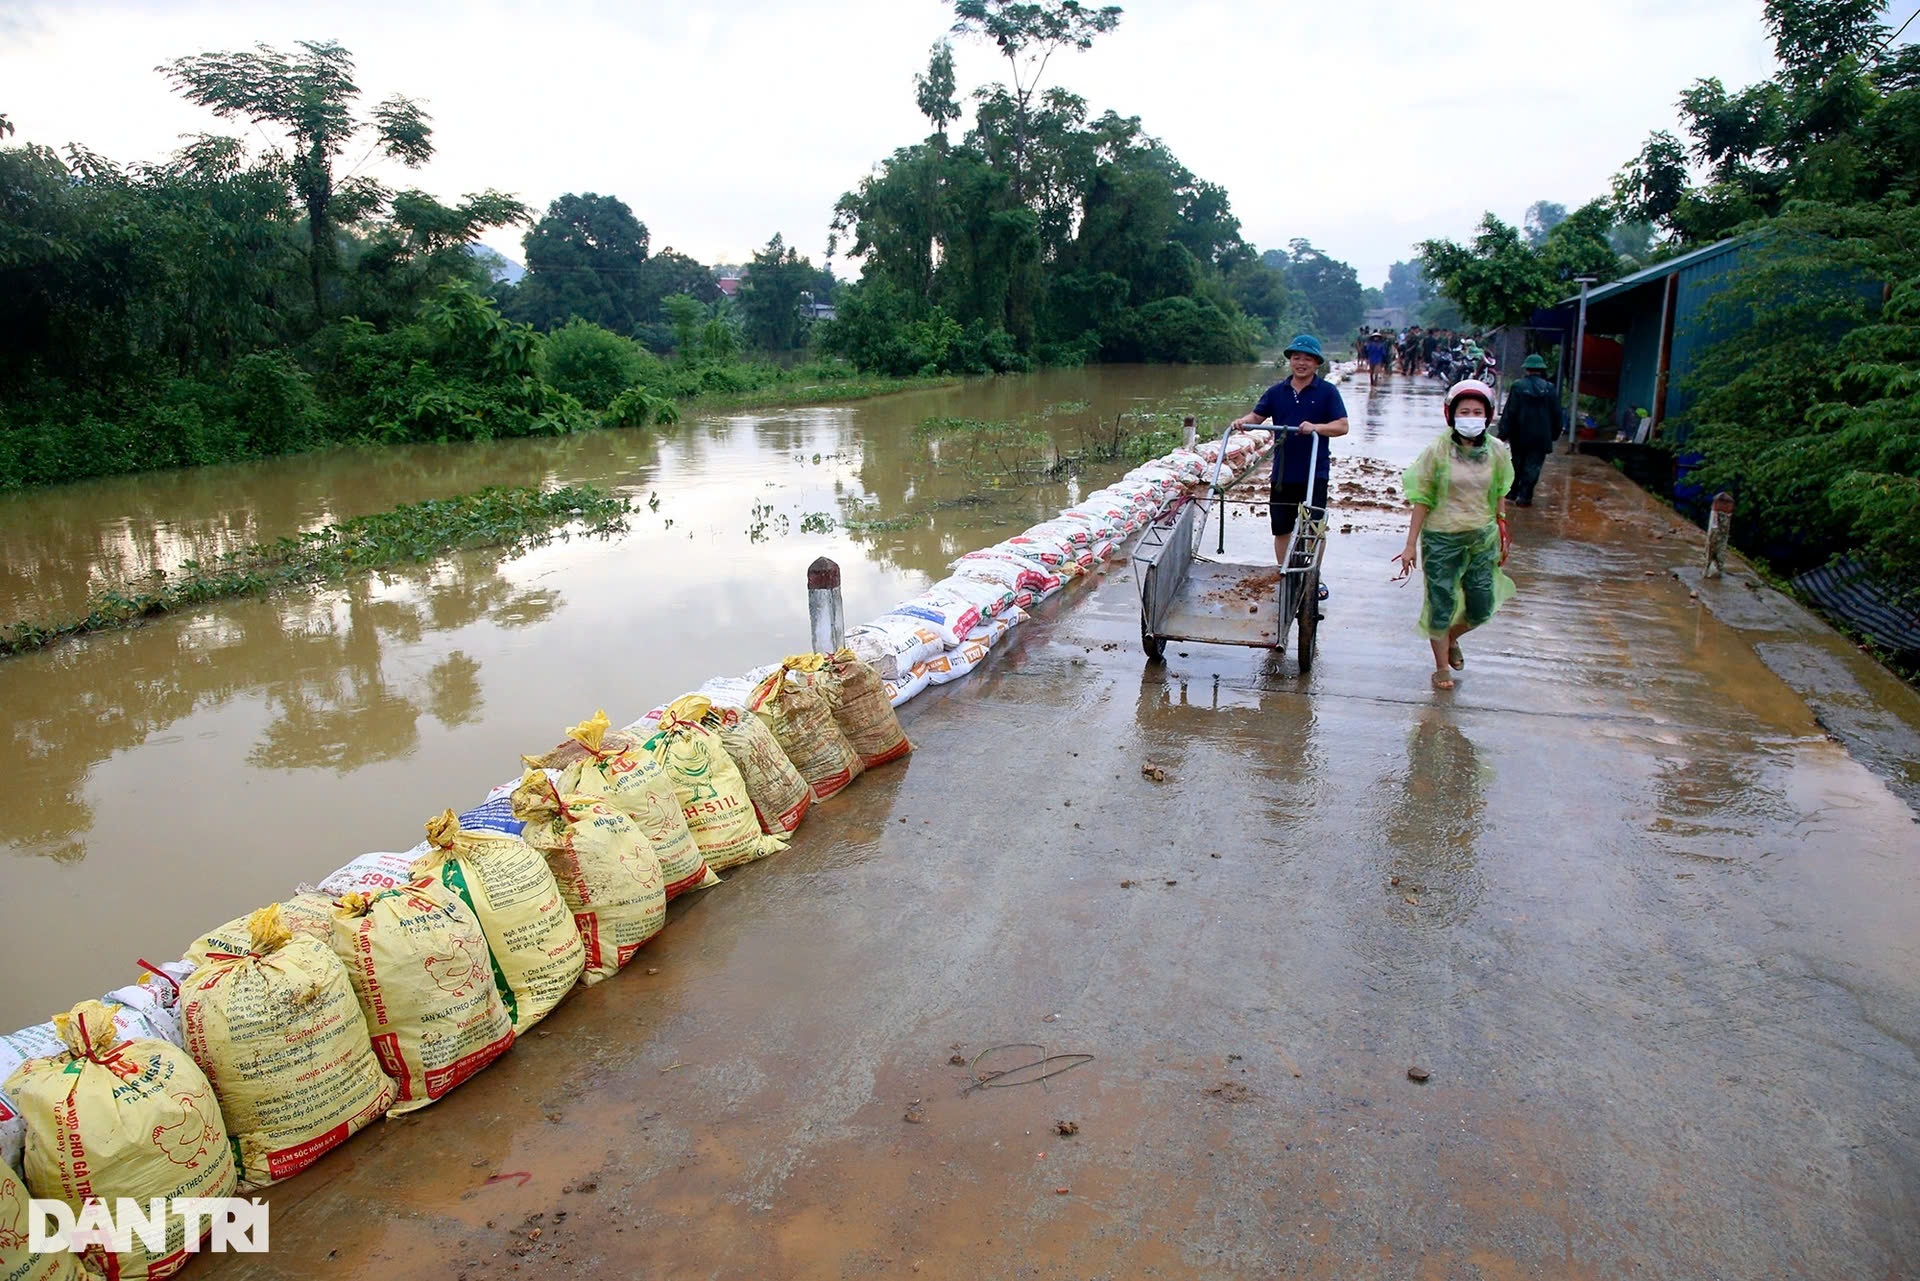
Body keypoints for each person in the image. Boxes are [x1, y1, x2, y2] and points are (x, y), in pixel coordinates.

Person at [1392, 379, 1516, 691]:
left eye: (1477, 411)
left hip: (1482, 537)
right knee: (1440, 603)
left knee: (1481, 605)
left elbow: (1500, 490)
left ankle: (1451, 640)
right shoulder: (1437, 451)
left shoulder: (1498, 451)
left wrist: (1501, 525)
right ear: (1452, 414)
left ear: (1487, 416)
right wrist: (1410, 545)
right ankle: (1440, 667)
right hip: (1441, 538)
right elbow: (1422, 498)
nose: (1471, 417)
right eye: (1465, 411)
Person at [1231, 334, 1350, 584]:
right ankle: (1284, 574)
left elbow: (1342, 426)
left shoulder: (1327, 392)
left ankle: (1312, 578)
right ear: (1290, 361)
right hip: (1283, 473)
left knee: (1314, 527)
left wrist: (1316, 427)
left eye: (1307, 359)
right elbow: (1257, 416)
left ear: (1317, 363)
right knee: (1281, 527)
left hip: (1314, 472)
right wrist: (1243, 423)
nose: (1301, 363)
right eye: (1297, 358)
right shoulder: (1277, 392)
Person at [1494, 353, 1559, 506]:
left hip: (1520, 434)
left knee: (1517, 462)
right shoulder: (1550, 389)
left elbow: (1510, 411)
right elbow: (1556, 413)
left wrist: (1503, 433)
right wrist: (1554, 433)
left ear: (1526, 369)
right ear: (1541, 370)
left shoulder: (1518, 386)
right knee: (1534, 465)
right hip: (1541, 436)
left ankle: (1513, 492)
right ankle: (1525, 496)